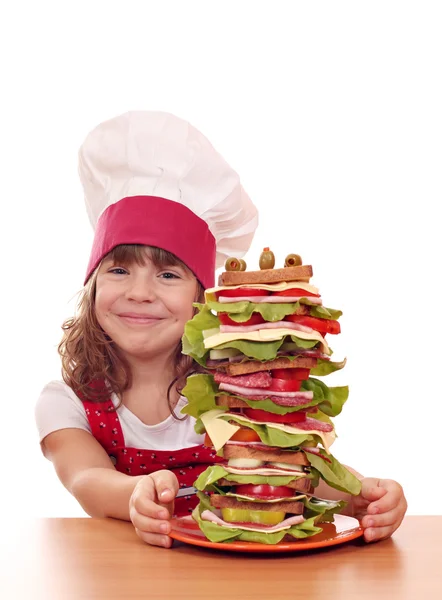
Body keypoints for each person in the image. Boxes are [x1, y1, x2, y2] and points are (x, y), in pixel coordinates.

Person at [35, 111, 407, 549]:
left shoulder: (239, 390)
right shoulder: (67, 402)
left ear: (202, 297)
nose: (140, 292)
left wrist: (366, 496)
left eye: (168, 275)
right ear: (93, 283)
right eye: (119, 269)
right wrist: (133, 493)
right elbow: (86, 478)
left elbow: (296, 469)